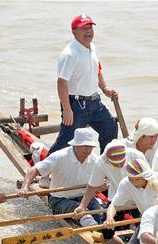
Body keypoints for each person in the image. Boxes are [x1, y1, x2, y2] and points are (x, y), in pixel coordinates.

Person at [49, 14, 118, 153]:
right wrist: (67, 110)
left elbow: (97, 70)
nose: (88, 31)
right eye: (83, 28)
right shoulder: (69, 54)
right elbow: (61, 83)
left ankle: (105, 164)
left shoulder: (92, 48)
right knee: (66, 142)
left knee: (110, 126)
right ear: (74, 31)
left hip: (95, 103)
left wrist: (105, 89)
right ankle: (44, 170)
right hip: (76, 105)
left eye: (90, 27)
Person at [19, 128, 100, 222]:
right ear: (75, 145)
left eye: (90, 146)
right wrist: (25, 187)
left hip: (84, 197)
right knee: (84, 215)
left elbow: (107, 175)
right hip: (59, 199)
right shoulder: (59, 156)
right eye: (84, 146)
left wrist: (102, 184)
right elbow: (34, 170)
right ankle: (95, 229)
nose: (88, 150)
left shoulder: (95, 159)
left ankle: (105, 231)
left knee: (101, 214)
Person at [73, 140, 136, 244]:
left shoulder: (136, 155)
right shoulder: (101, 162)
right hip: (118, 198)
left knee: (146, 225)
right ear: (107, 160)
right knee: (107, 231)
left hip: (139, 197)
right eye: (116, 164)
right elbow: (92, 186)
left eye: (122, 162)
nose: (120, 165)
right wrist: (82, 206)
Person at [105, 158, 158, 244]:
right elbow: (114, 205)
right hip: (147, 220)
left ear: (145, 176)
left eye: (137, 179)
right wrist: (110, 218)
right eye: (131, 180)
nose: (134, 183)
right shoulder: (126, 183)